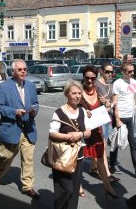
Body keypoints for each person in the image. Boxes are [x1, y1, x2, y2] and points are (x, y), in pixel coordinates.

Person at [0, 59, 40, 199]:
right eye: (20, 70)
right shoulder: (4, 87)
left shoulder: (30, 86)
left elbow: (36, 104)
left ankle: (28, 186)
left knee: (28, 159)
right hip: (11, 127)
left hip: (28, 128)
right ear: (13, 72)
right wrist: (14, 112)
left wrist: (33, 111)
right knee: (6, 157)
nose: (23, 71)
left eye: (25, 69)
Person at [49, 80, 92, 209]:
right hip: (62, 156)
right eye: (74, 93)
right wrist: (69, 136)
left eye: (79, 93)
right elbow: (52, 133)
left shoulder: (83, 111)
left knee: (74, 192)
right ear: (67, 94)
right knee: (65, 190)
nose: (77, 96)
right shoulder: (59, 112)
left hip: (78, 156)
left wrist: (79, 135)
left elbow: (88, 132)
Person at [79, 64, 120, 199]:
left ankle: (107, 187)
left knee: (101, 159)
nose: (89, 81)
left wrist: (107, 104)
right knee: (78, 160)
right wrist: (83, 111)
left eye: (92, 78)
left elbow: (107, 106)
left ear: (95, 77)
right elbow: (70, 108)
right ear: (84, 77)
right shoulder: (78, 92)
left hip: (97, 130)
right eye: (87, 78)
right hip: (82, 132)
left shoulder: (98, 91)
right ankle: (78, 185)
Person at [110, 62, 136, 179]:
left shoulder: (134, 82)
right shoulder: (117, 83)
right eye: (129, 71)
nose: (132, 73)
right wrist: (117, 119)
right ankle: (112, 164)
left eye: (133, 71)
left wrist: (134, 113)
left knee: (134, 144)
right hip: (120, 117)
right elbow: (115, 103)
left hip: (130, 117)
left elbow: (132, 98)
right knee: (116, 143)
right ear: (123, 71)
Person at [94, 62, 120, 184]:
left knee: (102, 144)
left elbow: (112, 103)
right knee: (102, 146)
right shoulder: (96, 84)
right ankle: (106, 173)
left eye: (111, 72)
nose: (110, 74)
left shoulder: (109, 85)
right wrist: (102, 102)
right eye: (107, 72)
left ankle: (93, 167)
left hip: (108, 118)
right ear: (101, 71)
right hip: (98, 118)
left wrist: (110, 103)